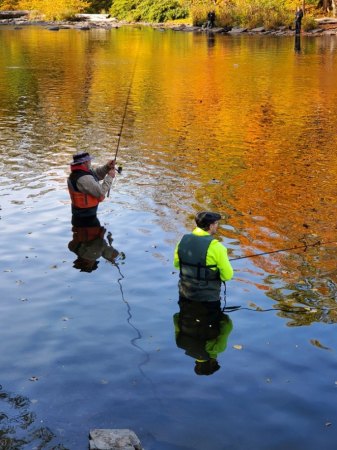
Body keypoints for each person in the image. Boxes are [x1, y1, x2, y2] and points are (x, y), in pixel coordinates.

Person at [173, 211, 233, 303]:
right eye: (216, 223)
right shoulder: (217, 247)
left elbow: (177, 265)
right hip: (208, 299)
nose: (217, 225)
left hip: (185, 294)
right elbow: (227, 276)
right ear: (211, 226)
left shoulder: (182, 241)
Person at [173, 298, 233, 375]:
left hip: (211, 303)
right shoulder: (181, 344)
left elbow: (227, 325)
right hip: (187, 300)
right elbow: (176, 317)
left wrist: (220, 315)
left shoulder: (216, 349)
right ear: (197, 363)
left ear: (212, 363)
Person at [67, 151, 116, 226]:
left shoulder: (81, 172)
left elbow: (96, 174)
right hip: (85, 218)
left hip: (82, 215)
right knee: (92, 237)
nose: (90, 161)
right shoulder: (84, 178)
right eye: (89, 160)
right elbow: (101, 192)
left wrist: (107, 167)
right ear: (85, 162)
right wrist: (109, 177)